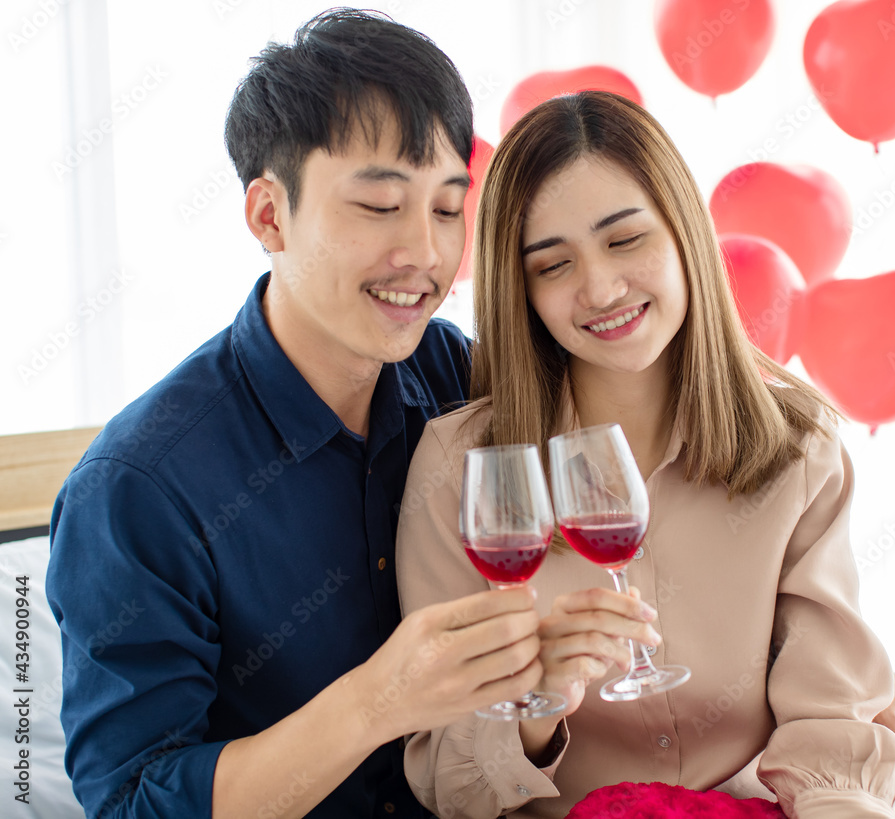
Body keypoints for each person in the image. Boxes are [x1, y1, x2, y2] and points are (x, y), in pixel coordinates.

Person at [395, 91, 895, 818]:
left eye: (626, 239)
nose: (600, 288)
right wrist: (540, 701)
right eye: (553, 264)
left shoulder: (798, 447)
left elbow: (831, 722)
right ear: (521, 289)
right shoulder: (462, 470)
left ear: (683, 232)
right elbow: (448, 781)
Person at [45, 10, 546, 818]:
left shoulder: (453, 375)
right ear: (269, 215)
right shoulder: (139, 487)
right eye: (379, 205)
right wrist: (379, 700)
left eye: (448, 209)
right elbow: (134, 801)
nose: (425, 254)